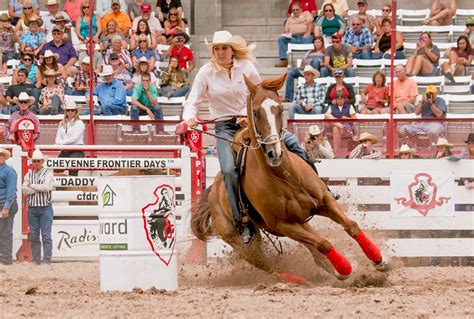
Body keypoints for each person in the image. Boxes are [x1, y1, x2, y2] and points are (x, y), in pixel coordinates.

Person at [179, 30, 312, 244]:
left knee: (293, 143)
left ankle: (316, 188)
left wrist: (246, 114)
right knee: (229, 170)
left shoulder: (246, 68)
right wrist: (189, 119)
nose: (220, 52)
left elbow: (260, 94)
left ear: (232, 50)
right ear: (213, 51)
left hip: (252, 122)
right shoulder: (205, 72)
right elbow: (192, 100)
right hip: (225, 128)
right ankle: (242, 221)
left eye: (224, 48)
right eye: (217, 49)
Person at [21, 149, 54, 265]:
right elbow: (24, 190)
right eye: (34, 161)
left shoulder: (48, 173)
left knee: (46, 235)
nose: (36, 163)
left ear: (42, 161)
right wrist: (37, 188)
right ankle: (36, 259)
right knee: (34, 235)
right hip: (33, 209)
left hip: (45, 208)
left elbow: (47, 188)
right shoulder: (28, 174)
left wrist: (31, 186)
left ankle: (46, 259)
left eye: (38, 161)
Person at [284, 36, 325, 102]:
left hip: (315, 70)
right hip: (305, 70)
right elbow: (303, 62)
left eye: (318, 42)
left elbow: (325, 63)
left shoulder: (325, 52)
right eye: (315, 42)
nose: (316, 44)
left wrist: (316, 63)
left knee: (315, 61)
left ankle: (311, 72)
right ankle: (288, 97)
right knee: (291, 73)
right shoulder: (309, 52)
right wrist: (305, 63)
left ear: (322, 43)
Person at [275, 1, 314, 68]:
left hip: (304, 36)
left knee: (309, 37)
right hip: (294, 38)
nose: (295, 11)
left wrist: (308, 32)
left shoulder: (306, 14)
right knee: (281, 39)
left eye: (297, 9)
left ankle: (306, 61)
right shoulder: (290, 19)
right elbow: (286, 30)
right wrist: (287, 33)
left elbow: (310, 23)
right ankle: (284, 60)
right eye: (293, 10)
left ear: (301, 9)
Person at [55, 101, 85, 176]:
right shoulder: (62, 123)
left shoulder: (79, 123)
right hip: (65, 151)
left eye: (72, 110)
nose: (70, 112)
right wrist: (59, 142)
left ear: (76, 111)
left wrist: (61, 143)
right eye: (68, 110)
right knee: (56, 168)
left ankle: (72, 187)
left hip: (76, 151)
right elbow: (58, 136)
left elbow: (74, 138)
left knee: (72, 172)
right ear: (66, 111)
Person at [324, 90, 357, 157]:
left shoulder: (349, 106)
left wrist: (346, 118)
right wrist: (337, 122)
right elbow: (326, 116)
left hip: (346, 126)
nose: (340, 100)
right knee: (327, 115)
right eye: (338, 99)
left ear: (344, 99)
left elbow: (355, 120)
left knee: (336, 128)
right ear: (336, 99)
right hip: (335, 125)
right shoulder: (332, 107)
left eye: (341, 98)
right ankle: (338, 124)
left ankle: (335, 152)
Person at [0, 148, 18, 266]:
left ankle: (6, 258)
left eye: (1, 155)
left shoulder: (9, 171)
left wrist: (6, 207)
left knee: (6, 232)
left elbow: (11, 191)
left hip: (6, 204)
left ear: (4, 157)